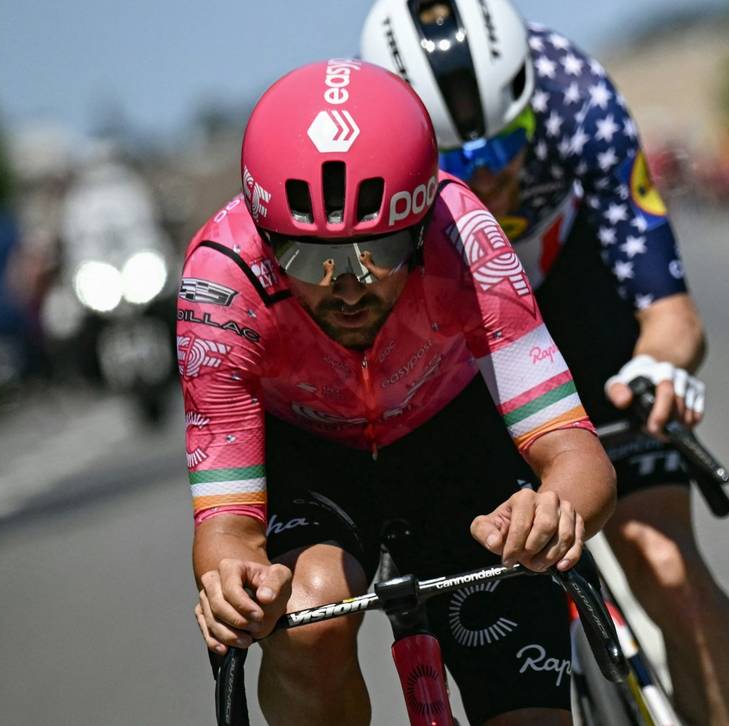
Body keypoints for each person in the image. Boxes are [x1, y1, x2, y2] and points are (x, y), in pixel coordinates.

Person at [361, 2, 729, 724]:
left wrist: (655, 367)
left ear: (533, 110)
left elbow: (673, 316)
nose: (485, 180)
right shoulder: (371, 149)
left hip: (576, 301)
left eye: (505, 147)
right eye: (457, 163)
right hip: (460, 348)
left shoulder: (576, 99)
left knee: (664, 561)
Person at [181, 59, 616, 725]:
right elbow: (228, 529)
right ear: (267, 242)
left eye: (377, 253)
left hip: (455, 446)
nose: (346, 285)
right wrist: (237, 584)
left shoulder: (464, 238)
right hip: (314, 461)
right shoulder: (220, 283)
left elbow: (577, 456)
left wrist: (554, 511)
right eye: (308, 257)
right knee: (309, 615)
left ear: (419, 229)